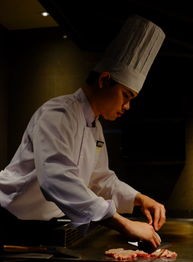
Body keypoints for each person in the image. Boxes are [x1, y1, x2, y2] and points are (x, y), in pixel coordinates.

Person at [0, 15, 166, 248]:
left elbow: (99, 179)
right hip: (8, 220)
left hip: (42, 223)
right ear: (105, 80)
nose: (127, 107)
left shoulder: (94, 125)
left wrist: (139, 199)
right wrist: (121, 222)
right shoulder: (58, 113)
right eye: (126, 96)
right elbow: (56, 178)